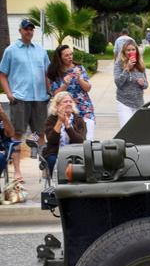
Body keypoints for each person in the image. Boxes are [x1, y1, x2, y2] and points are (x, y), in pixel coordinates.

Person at [0, 19, 50, 181]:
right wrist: (9, 93)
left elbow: (47, 74)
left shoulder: (40, 50)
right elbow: (2, 74)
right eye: (26, 29)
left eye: (31, 29)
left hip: (40, 99)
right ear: (20, 31)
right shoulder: (11, 51)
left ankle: (44, 169)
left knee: (39, 134)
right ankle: (17, 172)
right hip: (20, 99)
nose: (29, 31)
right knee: (17, 134)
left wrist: (50, 92)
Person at [47, 45, 96, 140]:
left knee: (88, 138)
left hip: (84, 108)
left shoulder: (79, 68)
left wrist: (79, 79)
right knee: (71, 139)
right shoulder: (55, 72)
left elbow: (88, 88)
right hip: (66, 109)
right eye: (66, 55)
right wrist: (65, 84)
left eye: (71, 54)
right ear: (60, 58)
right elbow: (55, 94)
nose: (70, 57)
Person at [42, 92, 86, 174]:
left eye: (70, 101)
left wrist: (67, 126)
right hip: (55, 152)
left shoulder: (79, 120)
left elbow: (80, 141)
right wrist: (59, 121)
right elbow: (51, 140)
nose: (69, 104)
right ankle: (56, 182)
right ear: (57, 105)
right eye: (65, 102)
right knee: (52, 160)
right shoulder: (50, 120)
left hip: (75, 153)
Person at [114, 38, 149, 127]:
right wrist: (127, 69)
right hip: (124, 102)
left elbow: (146, 85)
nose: (131, 52)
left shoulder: (140, 63)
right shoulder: (119, 63)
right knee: (126, 130)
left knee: (137, 131)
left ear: (136, 51)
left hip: (139, 103)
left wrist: (143, 83)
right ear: (124, 51)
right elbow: (118, 83)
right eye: (128, 50)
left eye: (133, 49)